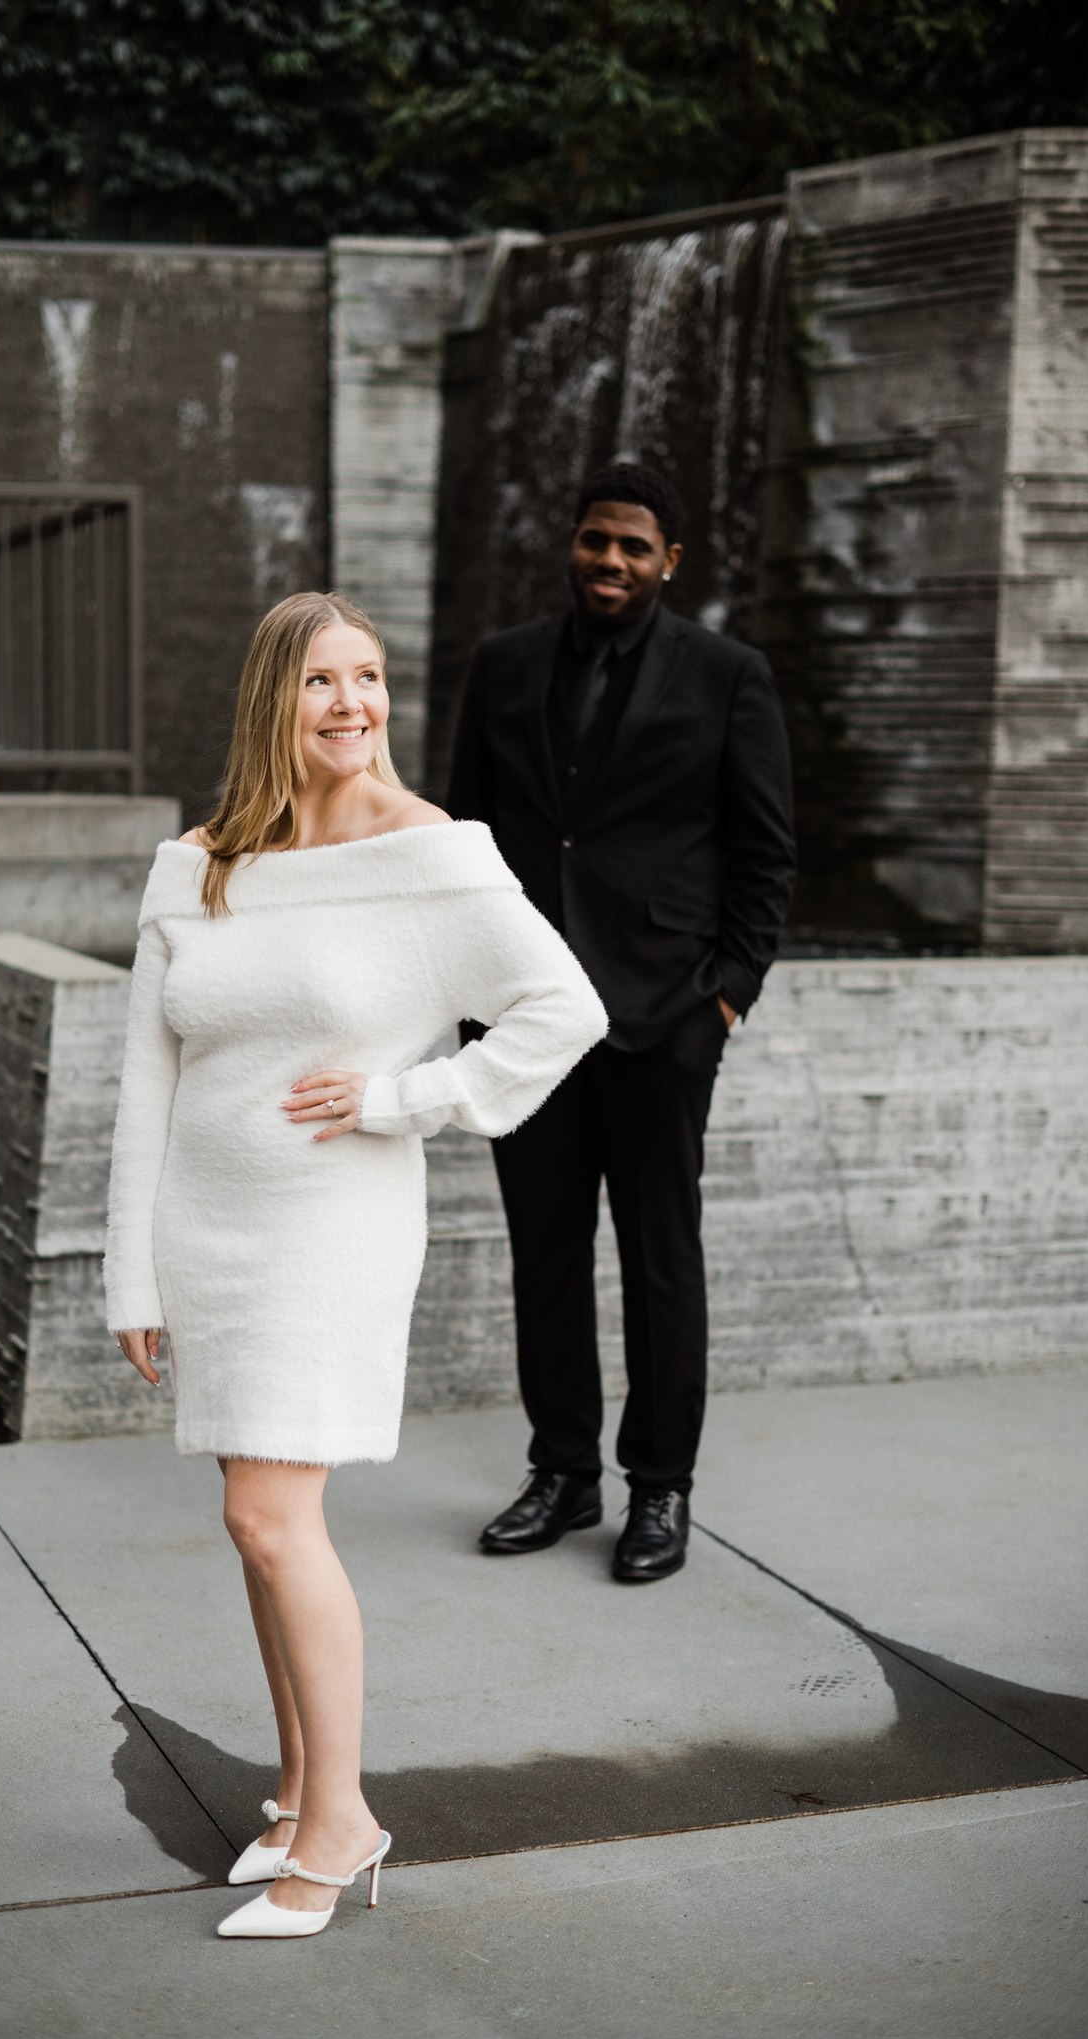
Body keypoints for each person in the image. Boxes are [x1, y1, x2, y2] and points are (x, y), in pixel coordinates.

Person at [102, 590, 606, 1941]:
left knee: (275, 1519)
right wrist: (128, 1272)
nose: (353, 706)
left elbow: (566, 1009)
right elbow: (146, 1074)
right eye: (323, 681)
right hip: (204, 1228)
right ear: (275, 698)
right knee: (249, 1522)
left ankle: (343, 1825)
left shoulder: (428, 853)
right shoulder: (200, 862)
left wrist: (407, 1098)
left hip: (329, 1230)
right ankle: (294, 1791)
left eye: (369, 679)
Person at [446, 460, 796, 1584]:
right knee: (543, 1258)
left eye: (634, 547)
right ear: (572, 542)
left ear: (669, 561)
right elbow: (463, 838)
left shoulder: (729, 675)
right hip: (522, 1017)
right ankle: (562, 1472)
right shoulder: (502, 666)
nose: (610, 560)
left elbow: (764, 852)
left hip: (660, 1017)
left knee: (658, 1260)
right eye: (596, 539)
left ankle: (659, 1488)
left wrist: (725, 993)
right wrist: (466, 993)